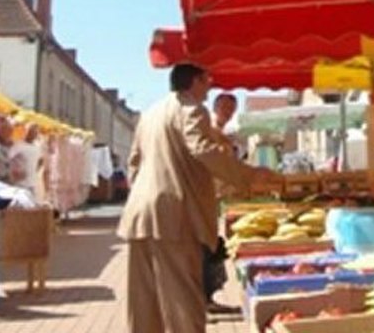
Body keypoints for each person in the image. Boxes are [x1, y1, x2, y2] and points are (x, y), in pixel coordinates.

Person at [118, 63, 279, 333]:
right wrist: (249, 175)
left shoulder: (150, 114)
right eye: (207, 81)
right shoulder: (191, 109)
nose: (210, 86)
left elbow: (134, 162)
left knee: (144, 302)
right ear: (194, 81)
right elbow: (203, 150)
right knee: (183, 300)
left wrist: (145, 193)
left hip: (139, 214)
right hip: (174, 215)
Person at [204, 90, 240, 314]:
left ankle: (207, 297)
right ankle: (205, 299)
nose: (227, 112)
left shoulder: (223, 134)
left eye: (231, 109)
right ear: (215, 107)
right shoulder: (209, 131)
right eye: (224, 107)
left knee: (212, 247)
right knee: (208, 248)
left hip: (216, 199)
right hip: (204, 198)